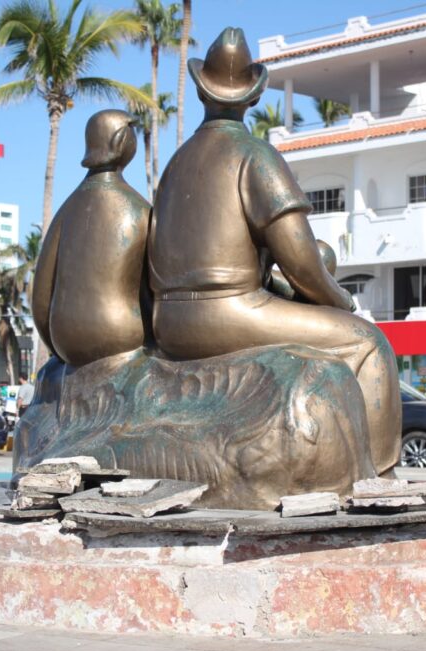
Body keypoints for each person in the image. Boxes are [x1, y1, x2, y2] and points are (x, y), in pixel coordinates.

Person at [147, 27, 401, 474]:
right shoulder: (253, 155)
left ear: (202, 93)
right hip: (231, 312)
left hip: (170, 322)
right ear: (253, 97)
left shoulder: (175, 164)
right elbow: (301, 262)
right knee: (368, 342)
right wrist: (340, 304)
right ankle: (379, 476)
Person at [31, 109, 153, 368]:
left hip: (66, 341)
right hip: (123, 335)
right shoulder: (140, 209)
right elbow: (153, 288)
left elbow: (41, 297)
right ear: (122, 143)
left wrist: (56, 346)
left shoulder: (66, 211)